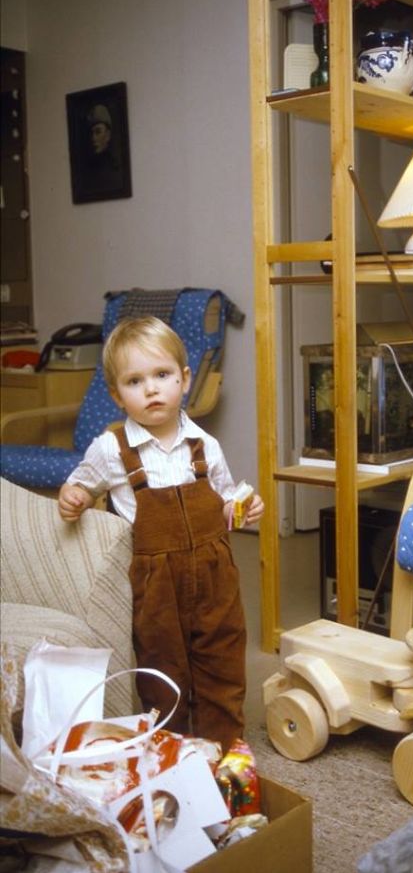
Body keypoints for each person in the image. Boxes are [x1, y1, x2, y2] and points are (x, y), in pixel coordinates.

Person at [58, 316, 264, 753]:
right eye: (135, 381)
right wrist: (74, 496)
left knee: (223, 657)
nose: (151, 389)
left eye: (162, 375)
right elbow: (81, 484)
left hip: (215, 574)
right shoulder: (111, 449)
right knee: (162, 666)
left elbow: (225, 501)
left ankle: (224, 745)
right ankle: (172, 749)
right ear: (117, 395)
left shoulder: (205, 445)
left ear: (184, 380)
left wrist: (242, 509)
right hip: (156, 586)